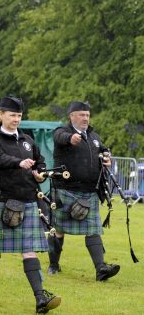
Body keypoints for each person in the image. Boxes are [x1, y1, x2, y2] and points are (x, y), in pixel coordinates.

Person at [0, 96, 61, 314]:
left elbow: (40, 161)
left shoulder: (27, 140)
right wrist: (18, 162)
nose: (16, 119)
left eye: (19, 115)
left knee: (29, 250)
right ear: (1, 115)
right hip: (0, 200)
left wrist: (40, 174)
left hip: (26, 200)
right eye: (12, 115)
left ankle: (40, 298)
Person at [48, 101, 120, 281]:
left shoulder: (93, 136)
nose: (85, 118)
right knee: (59, 230)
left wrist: (107, 157)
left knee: (93, 229)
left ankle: (100, 269)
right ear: (71, 116)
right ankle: (53, 265)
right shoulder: (62, 132)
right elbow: (59, 137)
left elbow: (103, 149)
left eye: (87, 115)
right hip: (66, 189)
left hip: (89, 191)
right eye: (81, 115)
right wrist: (70, 139)